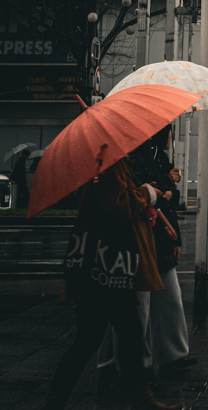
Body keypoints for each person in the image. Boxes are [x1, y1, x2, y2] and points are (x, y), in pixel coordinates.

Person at [42, 156, 183, 410]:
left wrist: (142, 190)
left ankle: (56, 400)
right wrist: (147, 193)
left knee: (111, 335)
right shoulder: (110, 165)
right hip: (107, 269)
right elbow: (118, 205)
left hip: (105, 269)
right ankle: (142, 399)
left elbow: (118, 198)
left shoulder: (109, 162)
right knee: (114, 334)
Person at [98, 127, 191, 383]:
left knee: (160, 301)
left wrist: (167, 188)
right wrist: (156, 191)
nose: (171, 136)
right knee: (135, 308)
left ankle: (143, 362)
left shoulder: (155, 156)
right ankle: (133, 365)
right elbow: (129, 199)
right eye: (169, 130)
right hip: (136, 239)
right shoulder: (125, 159)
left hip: (155, 235)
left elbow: (168, 198)